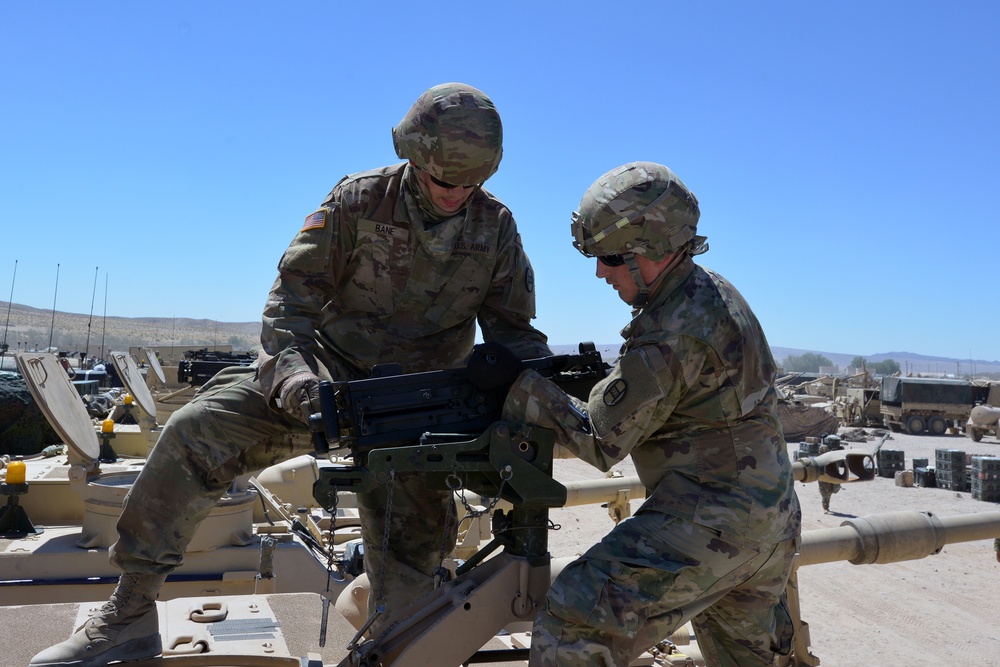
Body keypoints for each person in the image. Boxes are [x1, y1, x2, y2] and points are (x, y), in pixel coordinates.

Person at [30, 82, 551, 667]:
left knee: (410, 599)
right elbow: (288, 312)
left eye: (470, 184)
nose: (456, 195)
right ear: (412, 153)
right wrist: (300, 385)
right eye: (442, 180)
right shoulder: (359, 203)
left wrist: (534, 388)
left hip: (418, 411)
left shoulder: (495, 228)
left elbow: (514, 334)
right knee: (197, 430)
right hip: (321, 383)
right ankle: (127, 615)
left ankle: (396, 637)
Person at [498, 162, 802, 666]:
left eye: (612, 258)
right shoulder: (711, 291)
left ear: (654, 250)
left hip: (713, 522)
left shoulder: (671, 329)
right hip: (769, 519)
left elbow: (599, 440)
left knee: (576, 614)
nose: (601, 272)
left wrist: (518, 388)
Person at [817, 444, 841, 513]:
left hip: (830, 477)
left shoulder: (831, 459)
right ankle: (825, 508)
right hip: (823, 478)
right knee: (824, 493)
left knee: (829, 492)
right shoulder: (818, 459)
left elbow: (836, 468)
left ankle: (826, 507)